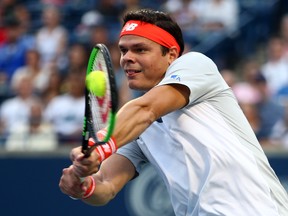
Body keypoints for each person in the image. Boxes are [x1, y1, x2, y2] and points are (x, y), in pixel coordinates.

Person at [59, 9, 288, 215]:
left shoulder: (195, 65)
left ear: (171, 55)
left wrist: (98, 150)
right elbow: (106, 185)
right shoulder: (133, 125)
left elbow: (147, 109)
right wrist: (84, 185)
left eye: (140, 49)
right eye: (123, 50)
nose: (127, 58)